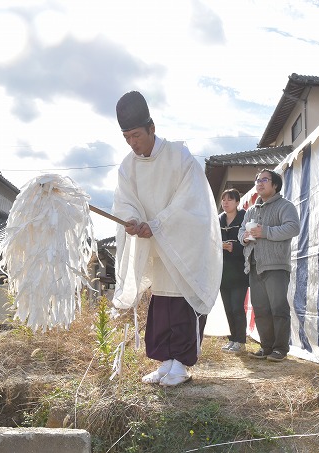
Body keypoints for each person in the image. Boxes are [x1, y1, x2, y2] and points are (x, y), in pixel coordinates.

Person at [111, 91, 222, 386]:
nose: (133, 143)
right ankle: (165, 362)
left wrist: (158, 224)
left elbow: (190, 201)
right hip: (157, 247)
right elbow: (125, 202)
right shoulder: (127, 166)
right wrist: (134, 221)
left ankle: (182, 365)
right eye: (126, 138)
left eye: (136, 135)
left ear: (152, 128)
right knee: (161, 303)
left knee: (182, 302)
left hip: (181, 244)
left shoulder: (179, 156)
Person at [238, 169, 300, 362]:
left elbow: (293, 228)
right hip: (254, 264)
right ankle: (266, 347)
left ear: (275, 185)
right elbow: (241, 233)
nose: (260, 183)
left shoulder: (285, 206)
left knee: (278, 307)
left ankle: (280, 349)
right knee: (261, 308)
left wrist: (265, 232)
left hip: (276, 265)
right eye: (257, 180)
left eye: (265, 180)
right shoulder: (251, 210)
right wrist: (245, 238)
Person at [218, 189, 249, 353]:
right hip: (222, 271)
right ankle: (232, 339)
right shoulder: (218, 220)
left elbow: (250, 241)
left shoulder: (244, 218)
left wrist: (234, 247)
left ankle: (241, 341)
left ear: (237, 202)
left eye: (230, 199)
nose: (225, 202)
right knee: (227, 308)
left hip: (239, 270)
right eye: (223, 200)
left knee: (237, 307)